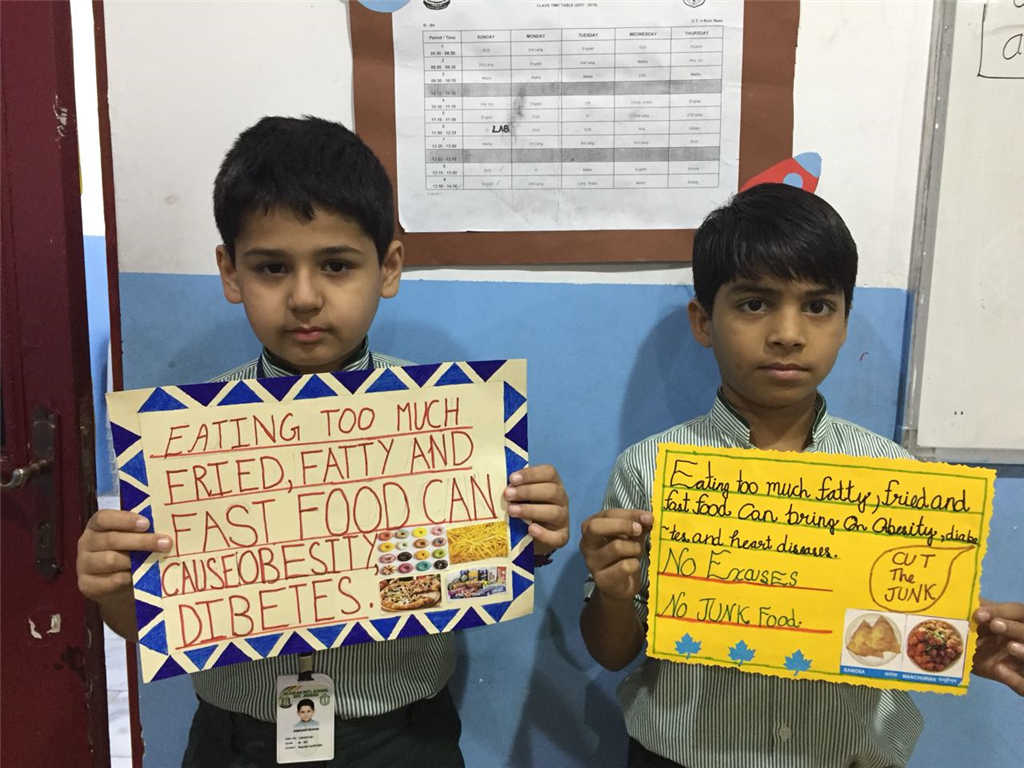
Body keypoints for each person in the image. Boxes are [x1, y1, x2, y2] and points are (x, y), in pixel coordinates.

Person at [76, 116, 571, 768]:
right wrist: (113, 586)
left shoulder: (451, 427)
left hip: (402, 737)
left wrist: (523, 536)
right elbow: (151, 621)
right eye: (271, 268)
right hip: (237, 739)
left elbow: (468, 568)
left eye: (336, 265)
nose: (304, 297)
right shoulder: (181, 446)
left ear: (388, 267)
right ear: (230, 273)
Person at [578, 183, 1024, 768]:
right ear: (704, 321)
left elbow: (901, 625)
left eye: (818, 307)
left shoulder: (895, 478)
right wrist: (613, 595)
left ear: (844, 323)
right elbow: (613, 653)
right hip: (681, 755)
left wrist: (960, 639)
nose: (788, 333)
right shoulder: (648, 469)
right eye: (754, 304)